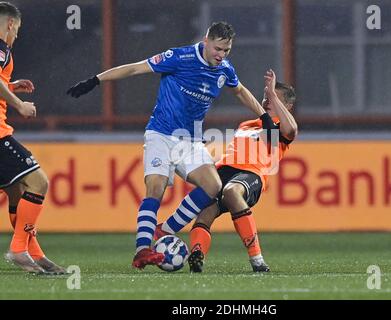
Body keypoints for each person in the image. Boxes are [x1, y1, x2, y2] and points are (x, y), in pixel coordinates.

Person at [67, 21, 269, 269]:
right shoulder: (179, 56)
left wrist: (264, 116)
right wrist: (95, 80)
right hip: (161, 135)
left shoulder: (224, 69)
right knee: (156, 188)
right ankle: (142, 250)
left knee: (213, 186)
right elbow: (134, 69)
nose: (221, 55)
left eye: (226, 50)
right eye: (218, 49)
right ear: (205, 42)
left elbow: (239, 91)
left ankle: (164, 231)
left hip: (191, 139)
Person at [155, 69, 298, 272]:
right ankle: (197, 255)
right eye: (265, 97)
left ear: (288, 106)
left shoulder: (278, 128)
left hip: (251, 174)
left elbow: (291, 130)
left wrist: (274, 94)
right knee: (204, 211)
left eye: (273, 98)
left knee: (232, 191)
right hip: (223, 171)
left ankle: (257, 260)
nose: (267, 101)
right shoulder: (247, 125)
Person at [0, 2, 66, 275]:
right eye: (18, 30)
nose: (17, 36)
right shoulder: (2, 48)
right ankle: (18, 250)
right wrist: (19, 104)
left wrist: (10, 85)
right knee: (38, 182)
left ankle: (35, 253)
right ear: (11, 24)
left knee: (18, 190)